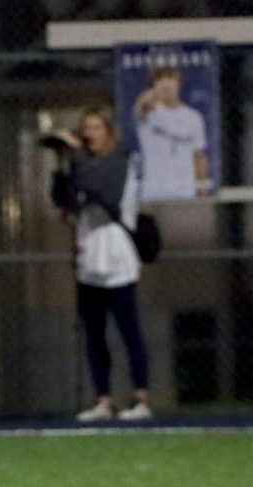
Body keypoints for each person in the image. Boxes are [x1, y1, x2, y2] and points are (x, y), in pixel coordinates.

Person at [51, 108, 153, 422]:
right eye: (86, 128)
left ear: (108, 131)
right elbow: (64, 199)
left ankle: (141, 399)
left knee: (129, 330)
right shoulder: (79, 163)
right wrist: (60, 165)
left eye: (96, 128)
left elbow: (101, 189)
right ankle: (103, 400)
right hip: (88, 256)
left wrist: (77, 155)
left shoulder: (119, 159)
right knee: (94, 333)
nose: (90, 134)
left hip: (116, 254)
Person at [134, 66, 211, 200]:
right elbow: (142, 105)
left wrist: (203, 189)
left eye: (170, 78)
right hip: (153, 192)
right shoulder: (147, 113)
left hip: (185, 192)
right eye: (160, 79)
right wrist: (154, 95)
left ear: (179, 83)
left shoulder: (194, 117)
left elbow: (199, 155)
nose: (166, 84)